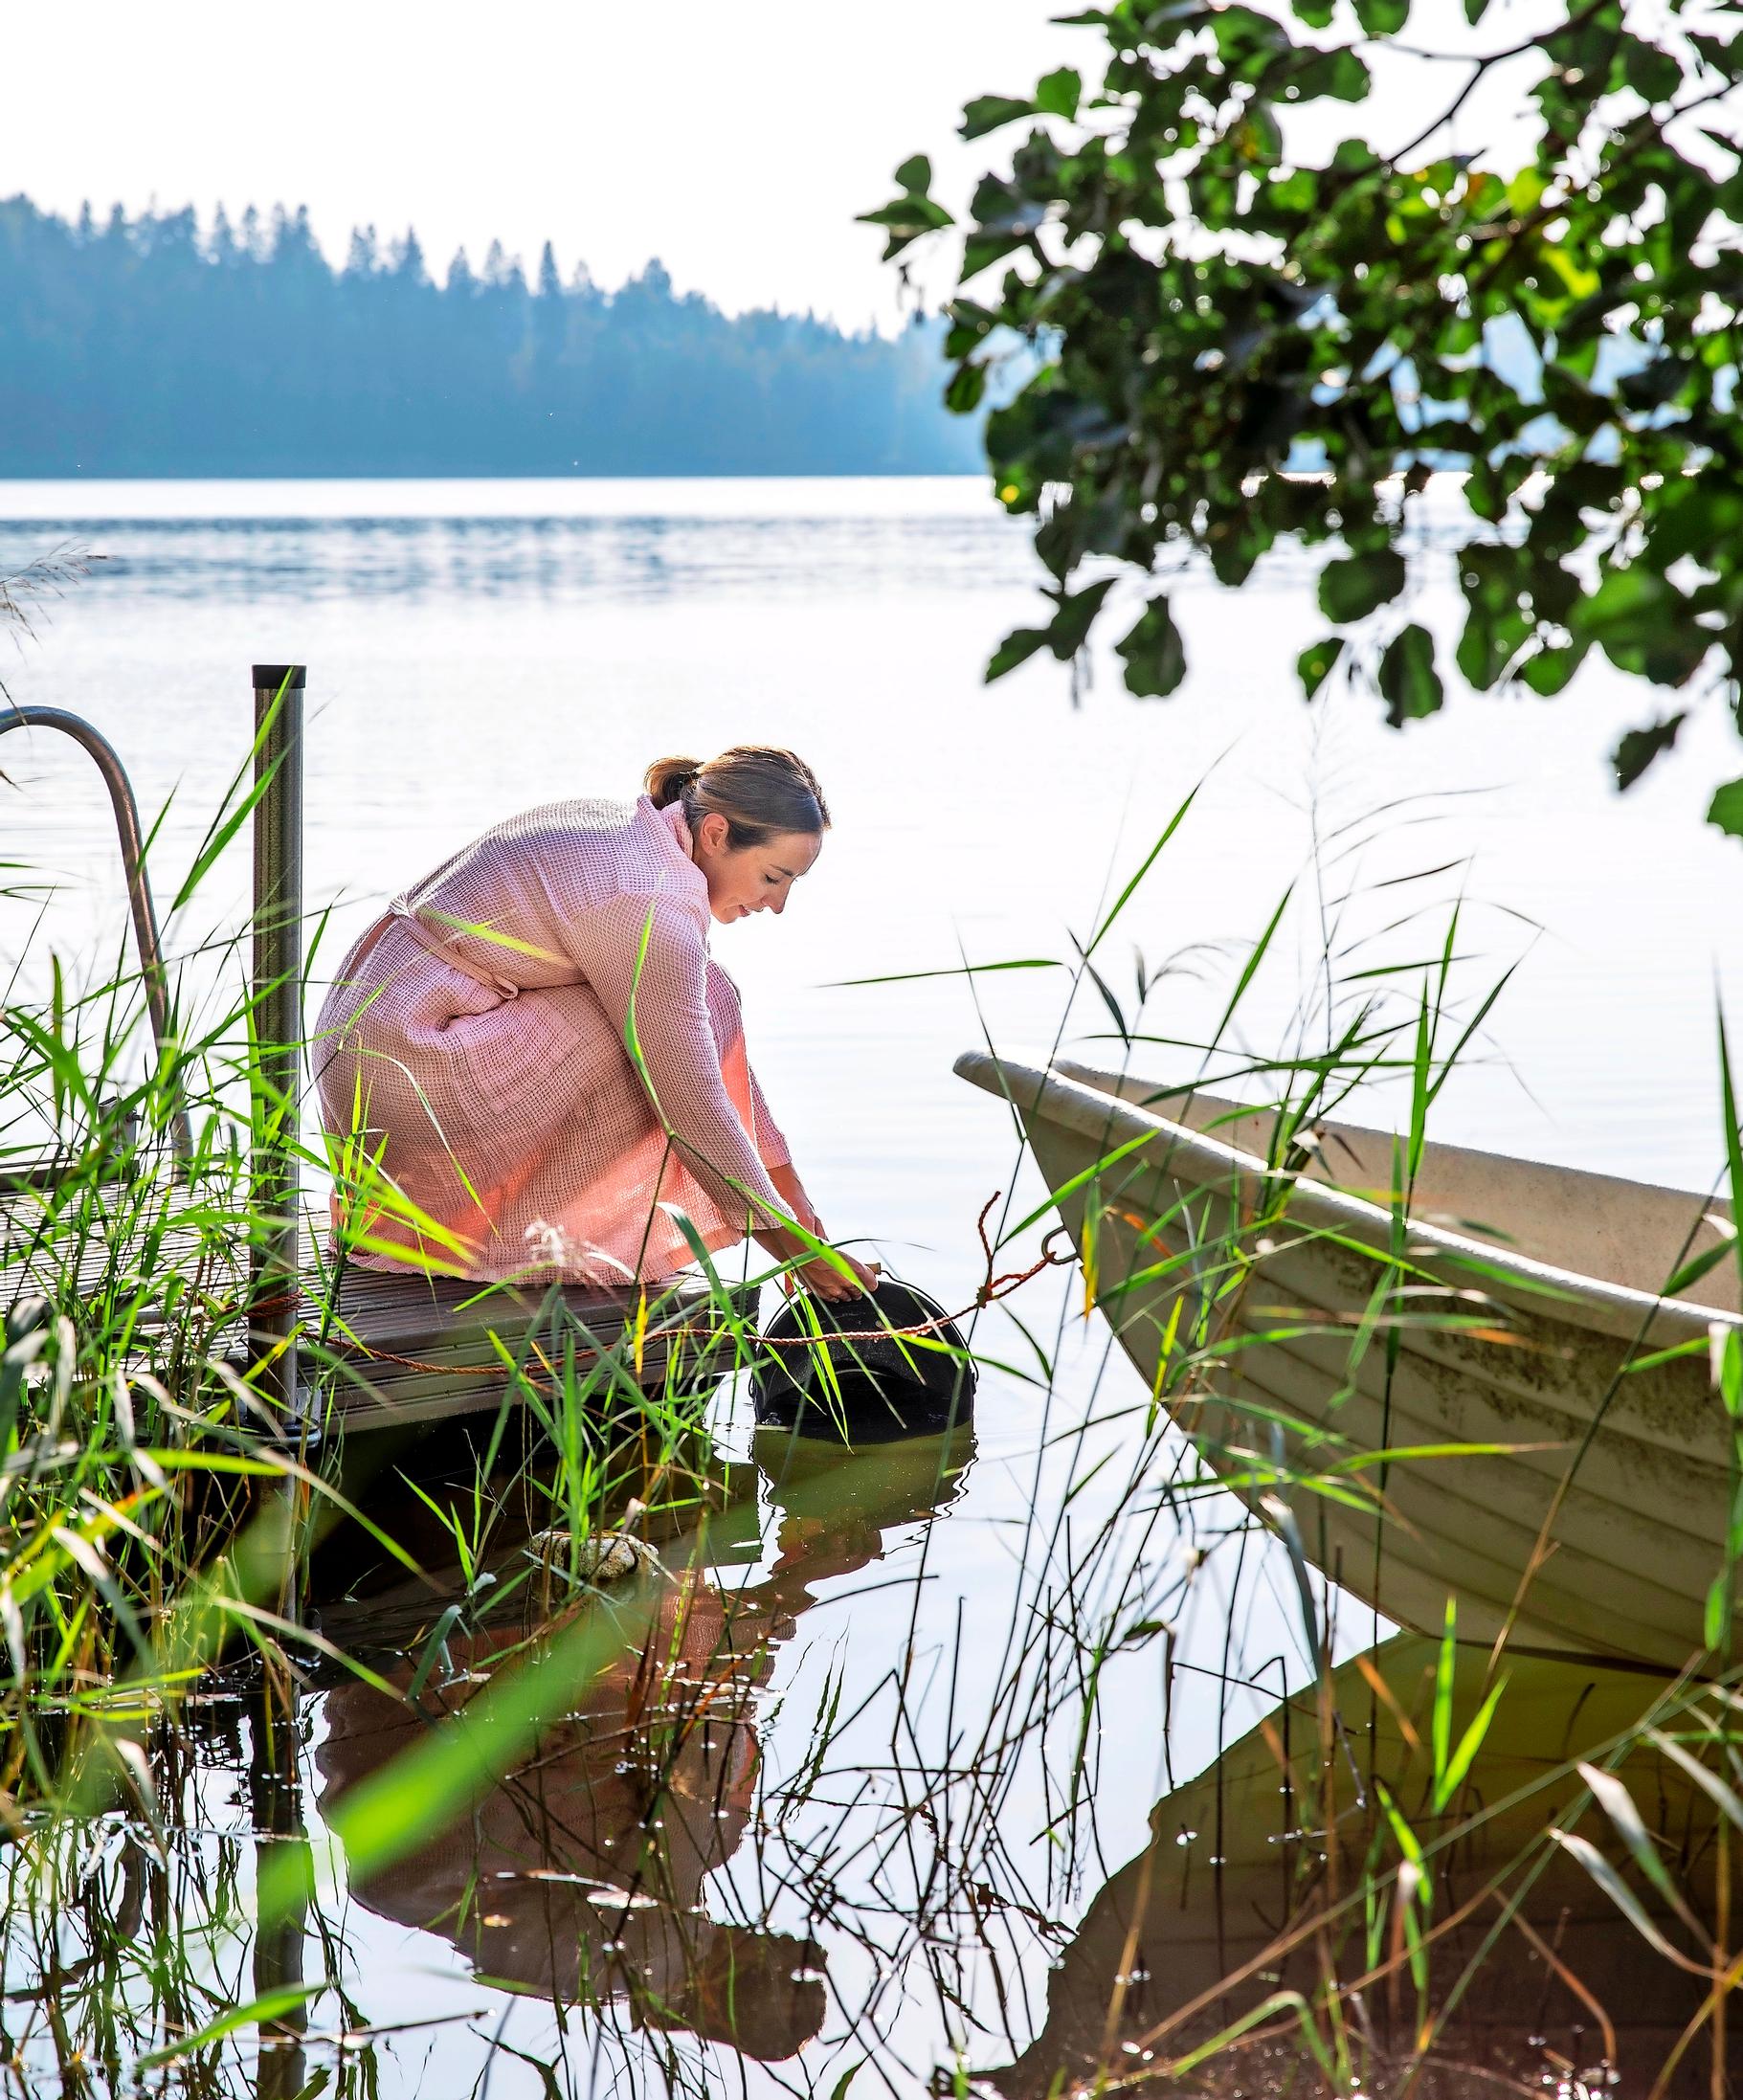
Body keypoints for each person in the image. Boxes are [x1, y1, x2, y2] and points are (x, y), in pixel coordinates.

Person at [313, 746, 879, 1299]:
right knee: (677, 1036)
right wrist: (794, 1250)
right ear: (716, 834)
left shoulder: (640, 835)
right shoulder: (648, 896)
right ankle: (482, 1232)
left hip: (378, 1050)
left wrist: (805, 1233)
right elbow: (690, 1098)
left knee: (706, 998)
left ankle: (803, 1231)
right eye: (773, 877)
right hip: (406, 1067)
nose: (776, 905)